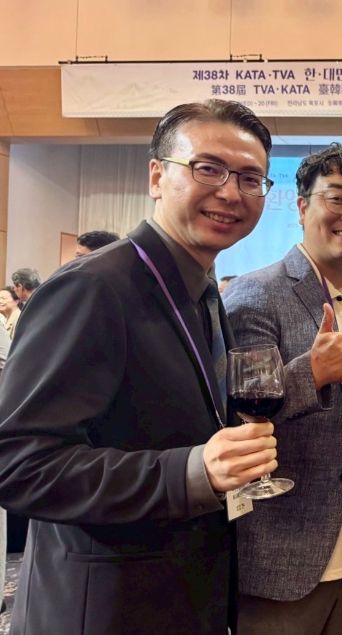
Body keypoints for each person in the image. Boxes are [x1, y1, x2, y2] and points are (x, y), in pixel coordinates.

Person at [0, 99, 279, 635]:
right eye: (208, 168)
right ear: (156, 176)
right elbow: (16, 464)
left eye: (250, 178)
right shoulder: (93, 288)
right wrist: (191, 473)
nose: (230, 193)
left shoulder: (202, 292)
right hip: (104, 609)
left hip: (179, 598)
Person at [224, 143, 342, 635]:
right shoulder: (257, 293)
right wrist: (310, 373)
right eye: (336, 198)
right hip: (282, 564)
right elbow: (232, 417)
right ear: (301, 208)